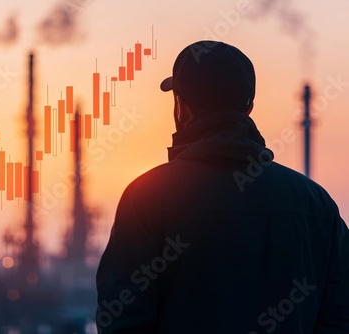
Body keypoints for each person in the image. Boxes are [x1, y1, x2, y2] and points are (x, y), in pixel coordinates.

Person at [96, 40, 349, 333]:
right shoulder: (317, 206)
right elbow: (339, 319)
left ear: (182, 107)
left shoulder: (147, 197)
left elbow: (122, 321)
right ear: (249, 107)